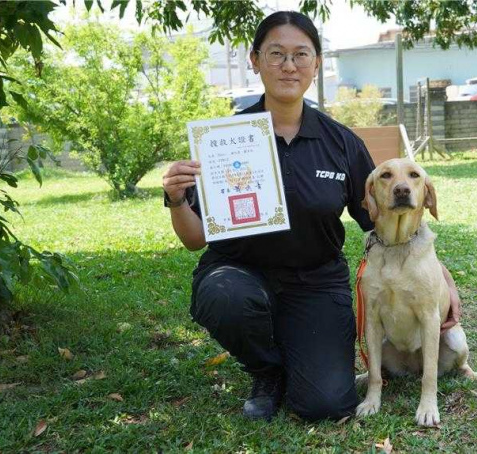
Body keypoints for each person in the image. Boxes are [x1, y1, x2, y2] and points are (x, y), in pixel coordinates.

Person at [162, 11, 461, 422]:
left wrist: (437, 276)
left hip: (316, 283)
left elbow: (385, 218)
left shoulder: (341, 142)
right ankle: (266, 372)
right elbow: (195, 239)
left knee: (325, 404)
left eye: (301, 54)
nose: (289, 65)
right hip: (240, 272)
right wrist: (177, 198)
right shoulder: (224, 139)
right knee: (223, 294)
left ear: (316, 64)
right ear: (255, 60)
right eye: (276, 54)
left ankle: (296, 351)